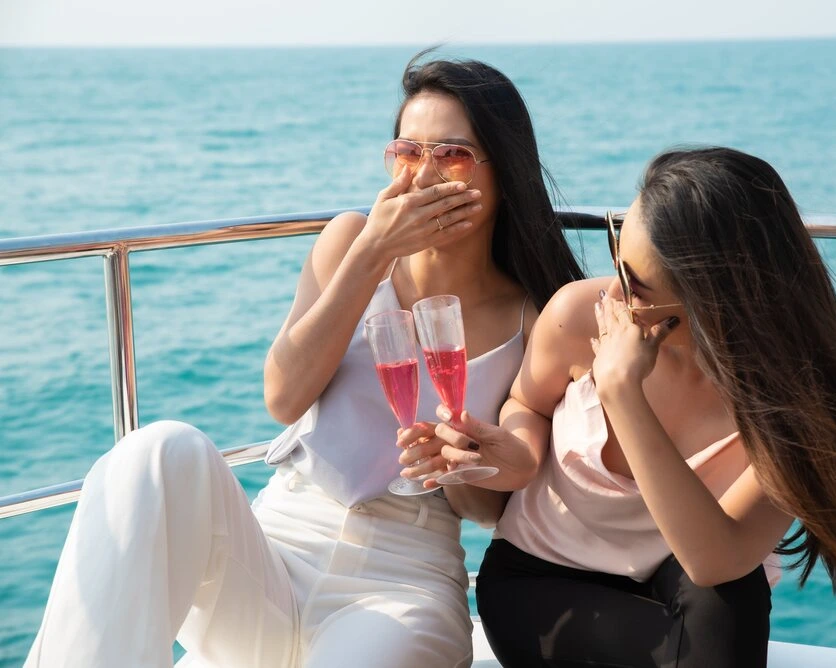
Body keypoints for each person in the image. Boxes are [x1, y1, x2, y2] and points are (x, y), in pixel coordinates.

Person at [25, 53, 583, 668]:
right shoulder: (350, 242)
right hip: (274, 549)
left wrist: (466, 465)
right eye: (407, 151)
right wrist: (372, 253)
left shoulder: (532, 315)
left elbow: (489, 511)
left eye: (450, 154)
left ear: (501, 172)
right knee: (157, 451)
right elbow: (284, 398)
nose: (423, 177)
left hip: (404, 577)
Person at [400, 147, 836, 667]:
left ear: (716, 302)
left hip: (691, 576)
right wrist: (519, 455)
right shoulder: (578, 313)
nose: (612, 295)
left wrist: (622, 395)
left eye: (637, 287)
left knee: (729, 598)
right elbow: (527, 402)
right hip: (540, 577)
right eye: (616, 260)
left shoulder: (791, 405)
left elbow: (716, 560)